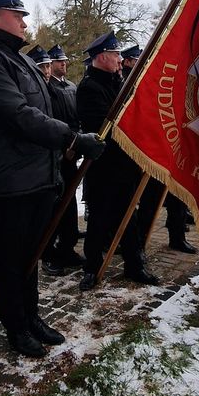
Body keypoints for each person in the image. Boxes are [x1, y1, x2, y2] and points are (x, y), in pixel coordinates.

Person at [0, 0, 104, 357]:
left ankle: (31, 316)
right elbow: (18, 114)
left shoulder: (16, 58)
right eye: (17, 15)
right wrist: (72, 138)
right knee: (10, 259)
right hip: (8, 179)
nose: (24, 22)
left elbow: (43, 111)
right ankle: (16, 326)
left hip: (35, 175)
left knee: (31, 254)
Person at [76, 30, 159, 290]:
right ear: (102, 57)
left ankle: (134, 265)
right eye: (114, 54)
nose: (119, 59)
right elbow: (103, 128)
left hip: (125, 165)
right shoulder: (90, 87)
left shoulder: (118, 82)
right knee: (99, 219)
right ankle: (92, 268)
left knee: (129, 216)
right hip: (104, 167)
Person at [121, 45, 197, 255]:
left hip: (170, 146)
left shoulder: (157, 79)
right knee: (151, 199)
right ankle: (140, 241)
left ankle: (177, 236)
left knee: (177, 196)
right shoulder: (130, 81)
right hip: (151, 149)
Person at [43, 44, 84, 272]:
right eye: (58, 61)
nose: (63, 64)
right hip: (55, 156)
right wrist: (62, 149)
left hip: (72, 152)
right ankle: (48, 254)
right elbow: (48, 123)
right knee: (52, 207)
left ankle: (67, 247)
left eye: (64, 60)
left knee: (69, 203)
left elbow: (76, 119)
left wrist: (76, 144)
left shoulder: (71, 87)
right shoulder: (46, 89)